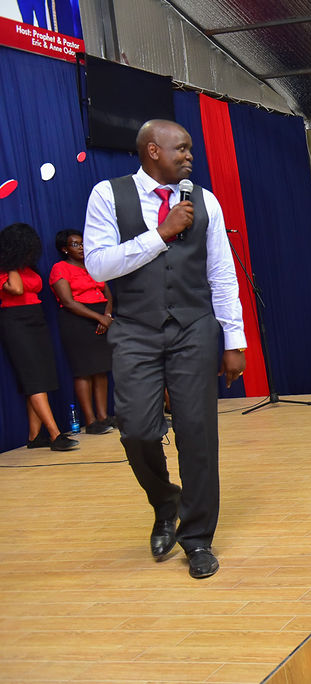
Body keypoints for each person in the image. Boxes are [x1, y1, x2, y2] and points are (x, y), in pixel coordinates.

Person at [83, 119, 246, 579]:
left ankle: (197, 538)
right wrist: (161, 234)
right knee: (136, 429)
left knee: (198, 433)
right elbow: (98, 266)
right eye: (182, 148)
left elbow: (222, 274)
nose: (190, 156)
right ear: (153, 150)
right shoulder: (107, 195)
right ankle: (164, 501)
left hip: (194, 328)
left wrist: (234, 340)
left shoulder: (205, 201)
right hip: (134, 330)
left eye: (191, 149)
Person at [0, 223, 79, 451]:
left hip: (36, 319)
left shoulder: (28, 268)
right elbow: (16, 289)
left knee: (41, 377)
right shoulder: (6, 268)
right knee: (33, 378)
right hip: (14, 321)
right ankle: (55, 435)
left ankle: (34, 437)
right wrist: (11, 262)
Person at [49, 230, 115, 434]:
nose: (82, 247)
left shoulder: (92, 265)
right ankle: (91, 421)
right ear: (64, 249)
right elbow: (68, 302)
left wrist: (107, 315)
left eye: (83, 243)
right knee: (84, 370)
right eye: (75, 244)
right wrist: (98, 318)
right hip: (77, 320)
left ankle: (103, 417)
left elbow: (108, 294)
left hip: (102, 317)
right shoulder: (60, 268)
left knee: (101, 368)